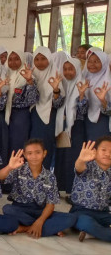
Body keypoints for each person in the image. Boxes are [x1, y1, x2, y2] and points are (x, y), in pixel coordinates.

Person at [0, 139, 77, 238]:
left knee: (71, 218)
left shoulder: (50, 176)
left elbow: (50, 205)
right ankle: (42, 228)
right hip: (20, 209)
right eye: (29, 153)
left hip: (40, 211)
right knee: (7, 209)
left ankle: (25, 228)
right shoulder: (18, 169)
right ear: (25, 155)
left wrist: (40, 221)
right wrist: (9, 167)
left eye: (38, 152)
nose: (34, 156)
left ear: (44, 153)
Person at [54, 58, 88, 193]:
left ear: (77, 69)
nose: (67, 72)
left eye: (71, 69)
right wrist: (56, 90)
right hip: (62, 125)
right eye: (65, 69)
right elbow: (57, 105)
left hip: (76, 126)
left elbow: (83, 112)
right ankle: (60, 187)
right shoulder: (62, 84)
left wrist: (81, 96)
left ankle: (71, 190)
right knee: (61, 157)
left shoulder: (83, 84)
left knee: (73, 158)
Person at [29, 47, 65, 169]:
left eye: (43, 59)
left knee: (44, 147)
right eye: (37, 59)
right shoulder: (30, 74)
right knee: (31, 148)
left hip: (49, 116)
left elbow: (58, 103)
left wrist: (55, 90)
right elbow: (29, 99)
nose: (39, 62)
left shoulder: (55, 75)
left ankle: (44, 178)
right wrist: (29, 81)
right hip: (31, 115)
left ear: (49, 59)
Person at [69, 138, 111, 242]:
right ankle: (95, 231)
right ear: (95, 152)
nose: (107, 154)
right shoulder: (87, 166)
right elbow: (78, 167)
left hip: (103, 213)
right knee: (86, 223)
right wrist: (81, 159)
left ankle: (92, 233)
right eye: (104, 150)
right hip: (81, 212)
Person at [5, 50, 39, 158]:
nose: (13, 62)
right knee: (7, 145)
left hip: (21, 116)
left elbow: (32, 100)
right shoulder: (6, 75)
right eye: (10, 59)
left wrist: (29, 81)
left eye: (16, 59)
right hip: (6, 114)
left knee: (18, 146)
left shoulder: (29, 77)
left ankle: (18, 172)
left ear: (22, 60)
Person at [84, 49, 111, 141]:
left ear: (104, 62)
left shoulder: (108, 82)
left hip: (102, 120)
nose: (92, 64)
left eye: (96, 61)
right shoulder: (85, 78)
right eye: (90, 61)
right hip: (86, 119)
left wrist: (103, 101)